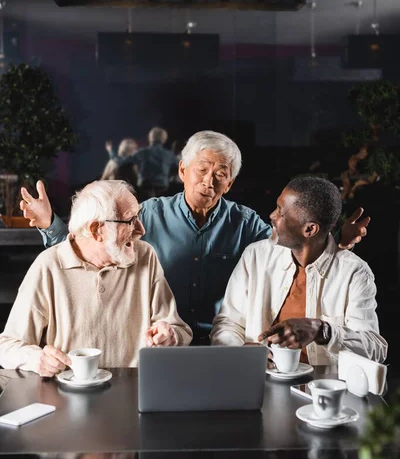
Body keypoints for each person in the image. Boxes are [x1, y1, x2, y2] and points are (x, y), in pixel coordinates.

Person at [20, 131, 370, 345]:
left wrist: (333, 237)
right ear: (182, 170)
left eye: (221, 174)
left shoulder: (246, 223)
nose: (210, 180)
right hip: (160, 342)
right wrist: (50, 223)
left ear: (230, 182)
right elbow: (94, 246)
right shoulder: (150, 215)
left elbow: (293, 247)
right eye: (202, 170)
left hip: (224, 342)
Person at [0, 180, 192, 376]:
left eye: (138, 217)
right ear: (96, 230)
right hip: (68, 396)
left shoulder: (145, 256)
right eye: (130, 221)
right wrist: (35, 358)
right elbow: (7, 345)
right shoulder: (48, 266)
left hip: (135, 391)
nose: (141, 230)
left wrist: (170, 335)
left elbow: (179, 329)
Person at [211, 176, 387, 365]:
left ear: (310, 229)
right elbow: (228, 323)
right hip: (258, 383)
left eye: (280, 211)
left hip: (323, 389)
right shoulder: (255, 256)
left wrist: (322, 331)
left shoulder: (354, 273)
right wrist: (240, 352)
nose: (272, 215)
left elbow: (375, 348)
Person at [106, 127, 179, 200]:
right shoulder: (168, 155)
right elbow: (180, 167)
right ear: (164, 139)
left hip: (144, 187)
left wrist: (111, 151)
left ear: (150, 138)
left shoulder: (142, 152)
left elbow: (120, 161)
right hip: (163, 188)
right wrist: (168, 176)